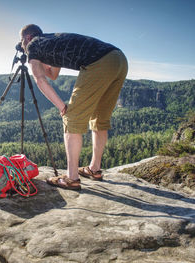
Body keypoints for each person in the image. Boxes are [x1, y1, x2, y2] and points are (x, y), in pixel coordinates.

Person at [20, 24, 128, 190]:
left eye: (22, 42)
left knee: (72, 118)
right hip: (118, 59)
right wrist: (38, 61)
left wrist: (61, 106)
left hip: (99, 63)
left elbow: (40, 79)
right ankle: (94, 169)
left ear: (27, 38)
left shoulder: (33, 44)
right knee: (99, 119)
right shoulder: (52, 40)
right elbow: (53, 75)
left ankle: (71, 178)